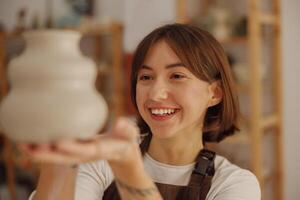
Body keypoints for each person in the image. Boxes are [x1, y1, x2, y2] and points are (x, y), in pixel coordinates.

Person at [21, 23, 260, 200]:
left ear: (215, 93)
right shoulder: (100, 161)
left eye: (176, 76)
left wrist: (128, 167)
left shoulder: (234, 185)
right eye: (146, 77)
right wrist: (59, 161)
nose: (155, 94)